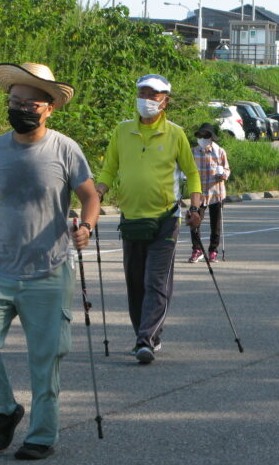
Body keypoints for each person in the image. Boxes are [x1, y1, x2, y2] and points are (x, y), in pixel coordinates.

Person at [0, 62, 100, 461]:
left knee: (46, 357)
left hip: (48, 269)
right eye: (16, 101)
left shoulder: (65, 149)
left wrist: (86, 226)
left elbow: (90, 195)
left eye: (32, 102)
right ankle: (5, 410)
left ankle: (42, 435)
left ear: (49, 108)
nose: (22, 108)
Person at [95, 74, 202, 365]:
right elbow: (109, 169)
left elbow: (191, 172)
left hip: (166, 218)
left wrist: (196, 206)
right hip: (132, 220)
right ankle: (149, 334)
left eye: (153, 95)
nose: (146, 99)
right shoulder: (122, 131)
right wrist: (99, 190)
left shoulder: (175, 133)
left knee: (155, 280)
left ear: (165, 100)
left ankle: (144, 341)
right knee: (135, 283)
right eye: (142, 93)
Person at [189, 122, 231, 263]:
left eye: (205, 136)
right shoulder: (193, 152)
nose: (202, 138)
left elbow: (227, 170)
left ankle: (213, 250)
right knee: (194, 221)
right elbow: (187, 169)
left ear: (211, 137)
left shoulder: (219, 152)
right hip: (198, 194)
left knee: (216, 224)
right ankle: (197, 249)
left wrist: (222, 174)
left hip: (216, 192)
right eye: (200, 135)